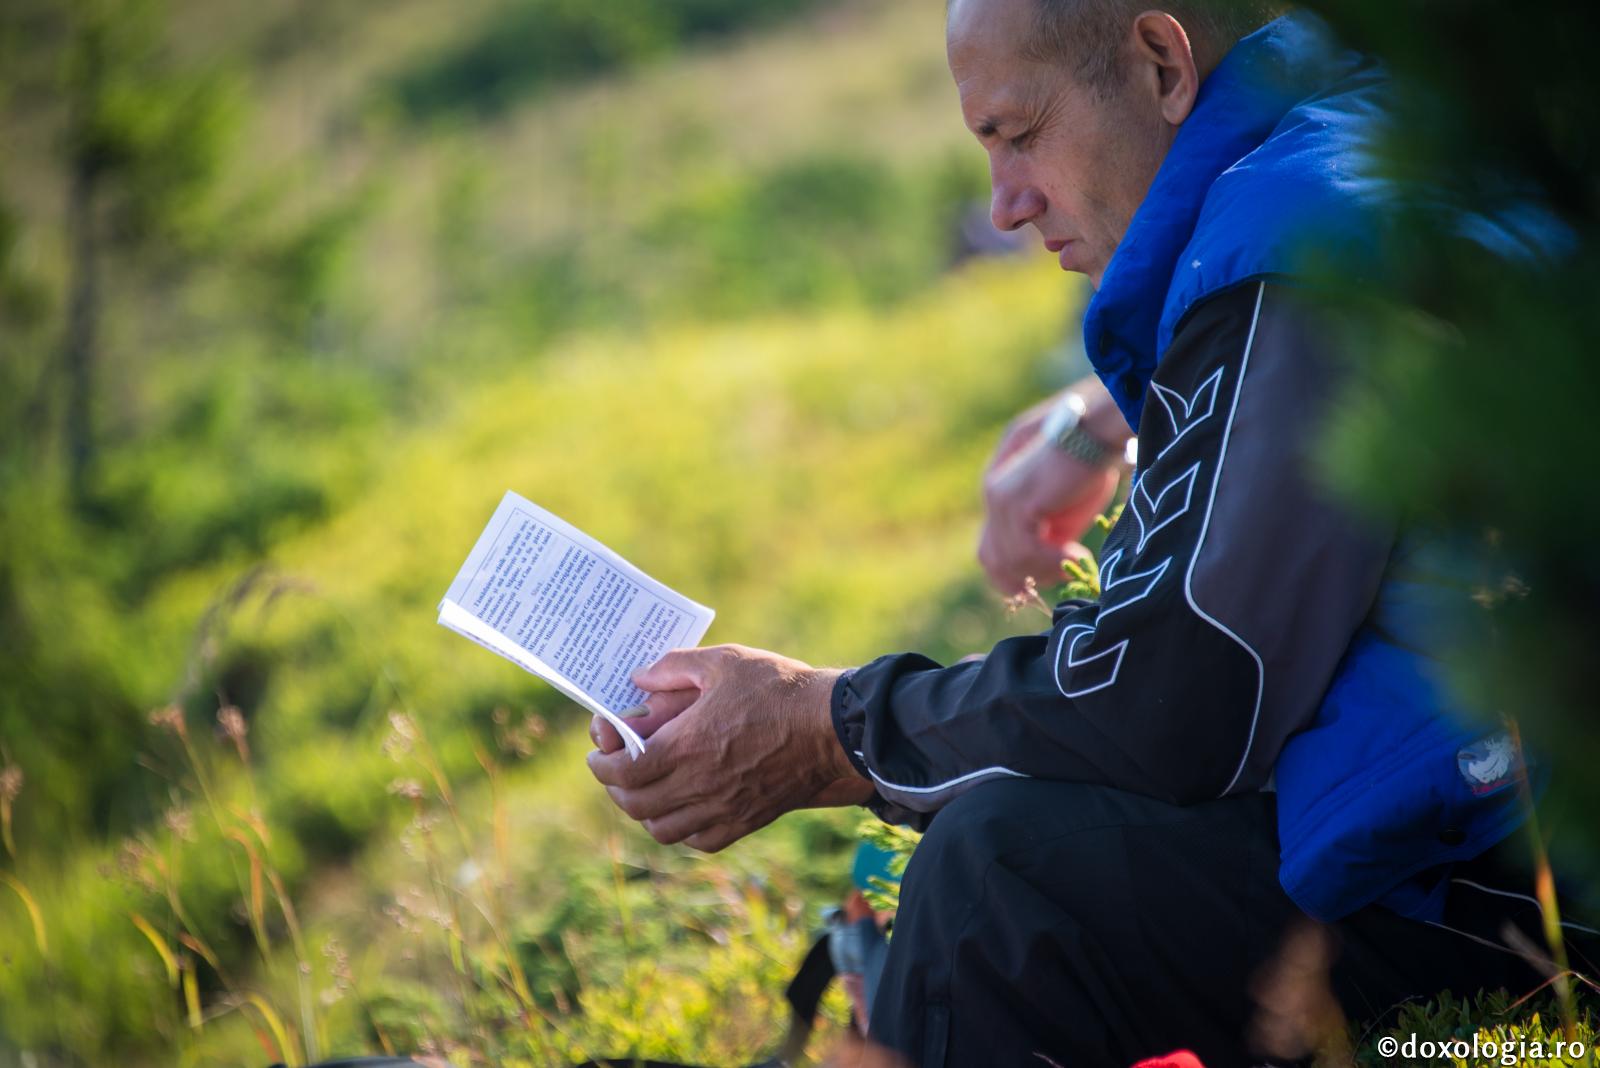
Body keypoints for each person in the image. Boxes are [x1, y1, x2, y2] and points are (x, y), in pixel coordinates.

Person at [587, 1, 1599, 1064]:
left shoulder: (1290, 258)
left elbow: (1176, 701)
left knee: (998, 877)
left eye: (1020, 135)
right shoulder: (1381, 134)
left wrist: (828, 729)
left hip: (1512, 873)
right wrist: (1099, 417)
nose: (1005, 205)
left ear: (1162, 63)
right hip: (1499, 804)